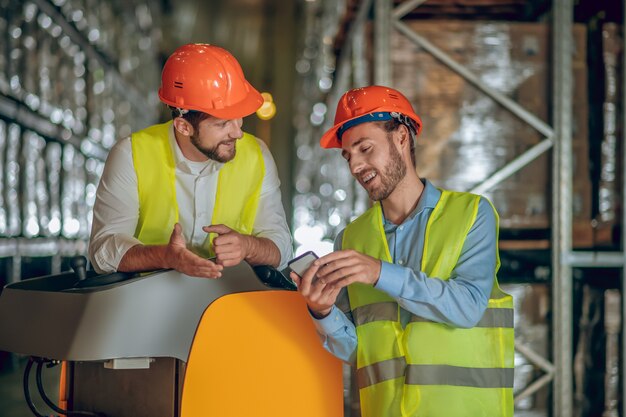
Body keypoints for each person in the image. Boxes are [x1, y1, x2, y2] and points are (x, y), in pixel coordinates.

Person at [292, 86, 514, 416]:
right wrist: (322, 312)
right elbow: (359, 351)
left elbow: (467, 307)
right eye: (348, 156)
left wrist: (379, 273)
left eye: (365, 148)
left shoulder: (471, 214)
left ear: (401, 138)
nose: (355, 166)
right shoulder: (353, 238)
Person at [89, 44, 292, 277]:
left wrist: (248, 246)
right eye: (222, 124)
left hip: (230, 304)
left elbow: (283, 248)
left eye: (239, 119)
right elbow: (103, 251)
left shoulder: (257, 155)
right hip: (147, 303)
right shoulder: (131, 154)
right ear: (183, 126)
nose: (237, 133)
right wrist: (165, 257)